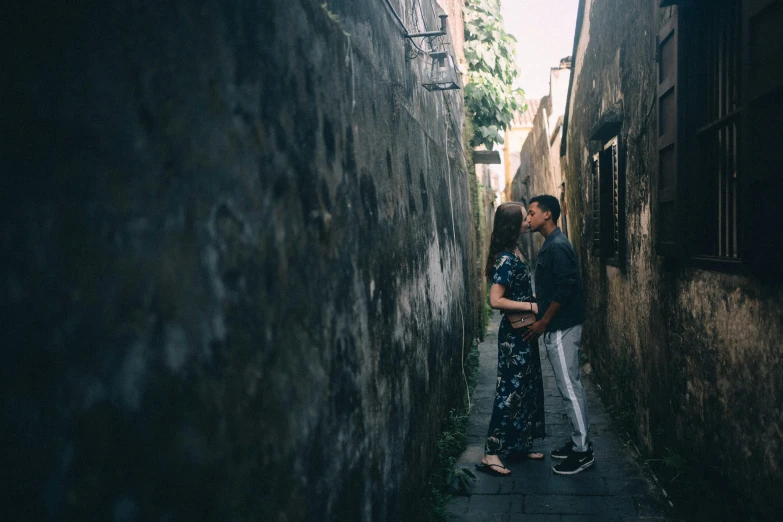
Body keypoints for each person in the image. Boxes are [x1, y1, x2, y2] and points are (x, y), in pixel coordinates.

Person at [523, 195, 593, 475]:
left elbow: (566, 287)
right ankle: (579, 442)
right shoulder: (552, 244)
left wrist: (543, 322)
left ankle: (583, 451)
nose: (528, 218)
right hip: (559, 325)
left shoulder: (558, 246)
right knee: (571, 387)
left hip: (562, 326)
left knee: (569, 389)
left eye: (531, 213)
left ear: (548, 214)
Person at [476, 202, 546, 477]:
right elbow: (495, 300)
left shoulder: (516, 251)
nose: (529, 219)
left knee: (527, 386)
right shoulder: (506, 258)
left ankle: (519, 444)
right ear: (512, 224)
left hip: (523, 332)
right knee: (510, 391)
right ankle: (491, 453)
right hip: (513, 336)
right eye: (524, 216)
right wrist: (530, 306)